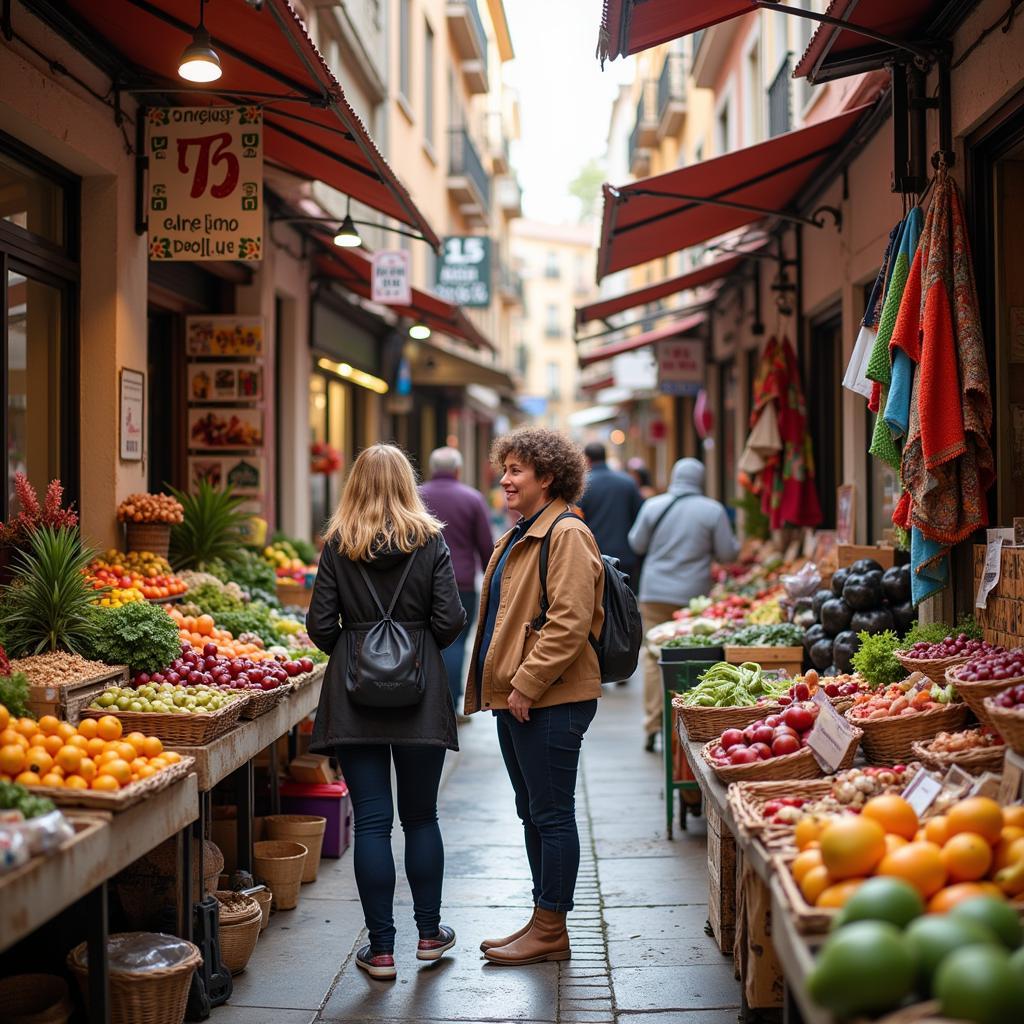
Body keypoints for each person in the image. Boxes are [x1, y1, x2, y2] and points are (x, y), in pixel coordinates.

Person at [307, 444, 467, 981]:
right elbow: (449, 621)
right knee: (421, 816)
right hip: (420, 699)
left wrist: (359, 645)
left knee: (372, 822)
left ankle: (379, 951)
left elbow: (319, 627)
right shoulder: (431, 541)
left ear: (353, 484)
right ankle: (428, 935)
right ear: (408, 483)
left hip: (354, 702)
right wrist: (414, 641)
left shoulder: (337, 545)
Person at [465, 428, 605, 966]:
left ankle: (552, 927)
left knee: (551, 813)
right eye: (505, 469)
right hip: (522, 699)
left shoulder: (565, 534)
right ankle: (542, 917)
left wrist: (526, 681)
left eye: (517, 470)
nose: (505, 479)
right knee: (532, 812)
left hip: (550, 699)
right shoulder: (525, 530)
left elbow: (569, 621)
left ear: (547, 477)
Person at [628, 458, 740, 751]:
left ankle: (654, 724)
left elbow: (636, 544)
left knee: (653, 656)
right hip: (693, 599)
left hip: (654, 593)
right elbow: (728, 554)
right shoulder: (712, 510)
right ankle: (690, 723)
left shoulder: (653, 505)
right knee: (694, 659)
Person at [418, 446, 495, 718]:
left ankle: (422, 700)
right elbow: (487, 546)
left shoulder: (416, 496)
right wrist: (492, 579)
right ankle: (449, 705)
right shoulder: (472, 499)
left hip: (419, 583)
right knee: (457, 641)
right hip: (460, 584)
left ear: (432, 469)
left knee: (422, 639)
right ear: (458, 470)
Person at [578, 442, 643, 590]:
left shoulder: (583, 485)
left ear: (586, 459)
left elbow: (576, 518)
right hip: (625, 555)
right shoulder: (628, 482)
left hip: (594, 555)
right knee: (626, 605)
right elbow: (639, 514)